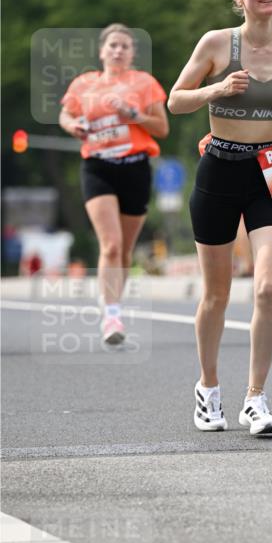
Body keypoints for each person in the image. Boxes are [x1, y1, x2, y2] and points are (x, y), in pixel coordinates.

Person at [168, 0, 272, 434]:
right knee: (216, 294)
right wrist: (216, 90)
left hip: (271, 169)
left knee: (268, 286)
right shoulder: (216, 43)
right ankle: (208, 389)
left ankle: (256, 398)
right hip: (220, 168)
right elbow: (175, 99)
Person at [59, 23, 169, 345]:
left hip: (134, 167)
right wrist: (74, 125)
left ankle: (113, 301)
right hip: (98, 167)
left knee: (124, 250)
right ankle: (111, 316)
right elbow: (66, 115)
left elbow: (162, 127)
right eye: (113, 45)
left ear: (133, 53)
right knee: (110, 244)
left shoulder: (144, 83)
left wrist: (134, 113)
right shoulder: (84, 84)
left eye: (124, 46)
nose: (118, 50)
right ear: (101, 51)